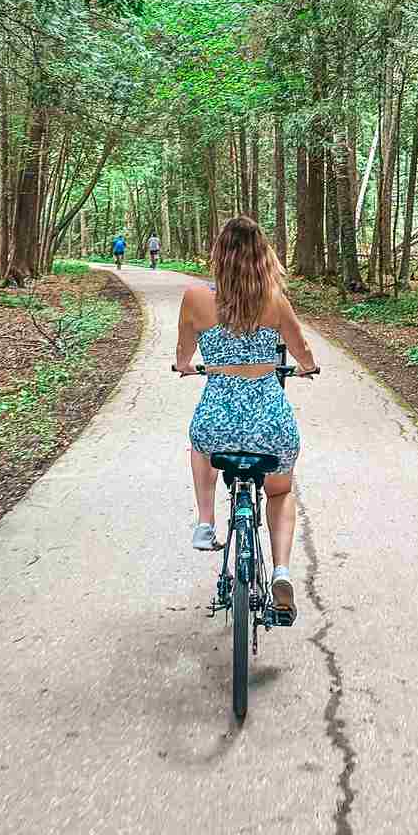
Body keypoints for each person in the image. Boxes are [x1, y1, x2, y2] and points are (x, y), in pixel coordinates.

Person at [175, 215, 318, 619]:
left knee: (200, 440)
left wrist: (185, 365)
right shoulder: (274, 300)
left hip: (218, 421)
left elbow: (183, 355)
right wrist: (307, 366)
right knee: (279, 492)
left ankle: (205, 522)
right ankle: (281, 572)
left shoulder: (194, 299)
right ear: (262, 256)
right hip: (270, 425)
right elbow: (301, 348)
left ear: (219, 255)